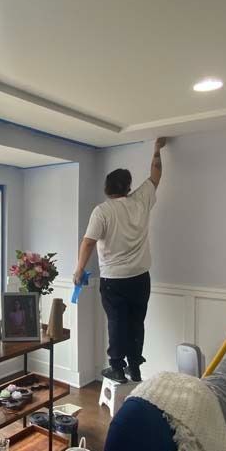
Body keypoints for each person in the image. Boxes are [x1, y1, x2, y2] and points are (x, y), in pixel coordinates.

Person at [74, 137, 169, 384]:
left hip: (114, 279)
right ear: (127, 187)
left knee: (117, 323)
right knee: (137, 323)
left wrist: (78, 269)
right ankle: (135, 367)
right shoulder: (141, 200)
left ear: (107, 188)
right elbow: (156, 175)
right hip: (140, 277)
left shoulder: (102, 211)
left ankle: (117, 367)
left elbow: (88, 242)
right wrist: (156, 151)